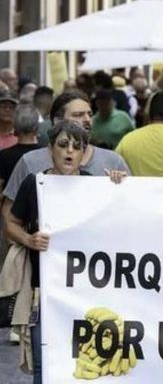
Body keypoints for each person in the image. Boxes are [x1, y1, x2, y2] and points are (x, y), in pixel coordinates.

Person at [2, 120, 125, 384]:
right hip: (43, 291)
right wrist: (28, 239)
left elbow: (117, 221)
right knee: (43, 362)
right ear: (51, 149)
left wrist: (117, 185)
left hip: (85, 291)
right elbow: (10, 223)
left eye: (77, 146)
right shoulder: (34, 184)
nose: (69, 151)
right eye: (63, 144)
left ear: (83, 154)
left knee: (81, 361)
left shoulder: (95, 185)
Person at [2, 92, 130, 231]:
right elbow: (8, 216)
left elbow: (129, 210)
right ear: (57, 121)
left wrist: (122, 185)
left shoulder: (113, 161)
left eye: (89, 114)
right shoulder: (30, 161)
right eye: (78, 115)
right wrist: (27, 239)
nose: (87, 119)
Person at [0, 105, 44, 191]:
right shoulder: (45, 154)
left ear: (15, 126)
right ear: (36, 127)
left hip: (12, 199)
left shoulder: (4, 156)